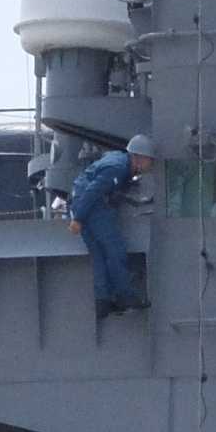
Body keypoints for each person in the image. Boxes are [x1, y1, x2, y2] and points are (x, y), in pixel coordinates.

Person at [68, 134, 156, 319]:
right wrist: (79, 219)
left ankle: (103, 301)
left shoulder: (119, 160)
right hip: (92, 207)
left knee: (99, 255)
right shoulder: (117, 168)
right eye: (150, 159)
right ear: (139, 158)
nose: (151, 164)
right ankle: (125, 296)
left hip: (80, 201)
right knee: (115, 250)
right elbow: (93, 191)